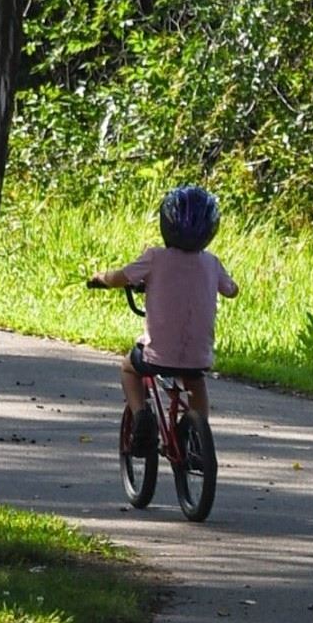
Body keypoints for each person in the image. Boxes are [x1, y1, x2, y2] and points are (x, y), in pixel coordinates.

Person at [88, 185, 241, 454]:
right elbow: (231, 290)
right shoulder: (212, 263)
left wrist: (101, 277)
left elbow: (121, 277)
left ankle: (141, 416)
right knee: (196, 385)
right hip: (198, 355)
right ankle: (196, 437)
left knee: (128, 368)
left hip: (156, 354)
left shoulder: (155, 258)